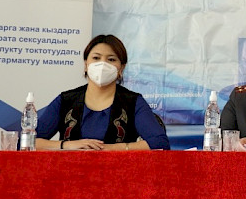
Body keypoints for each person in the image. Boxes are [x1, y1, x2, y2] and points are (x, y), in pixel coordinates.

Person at [35, 34, 170, 150]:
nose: (102, 64)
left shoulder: (133, 102)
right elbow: (29, 141)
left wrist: (111, 149)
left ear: (121, 68)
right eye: (96, 58)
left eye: (111, 59)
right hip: (68, 170)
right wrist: (66, 145)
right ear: (86, 64)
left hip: (119, 170)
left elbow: (160, 143)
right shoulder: (66, 100)